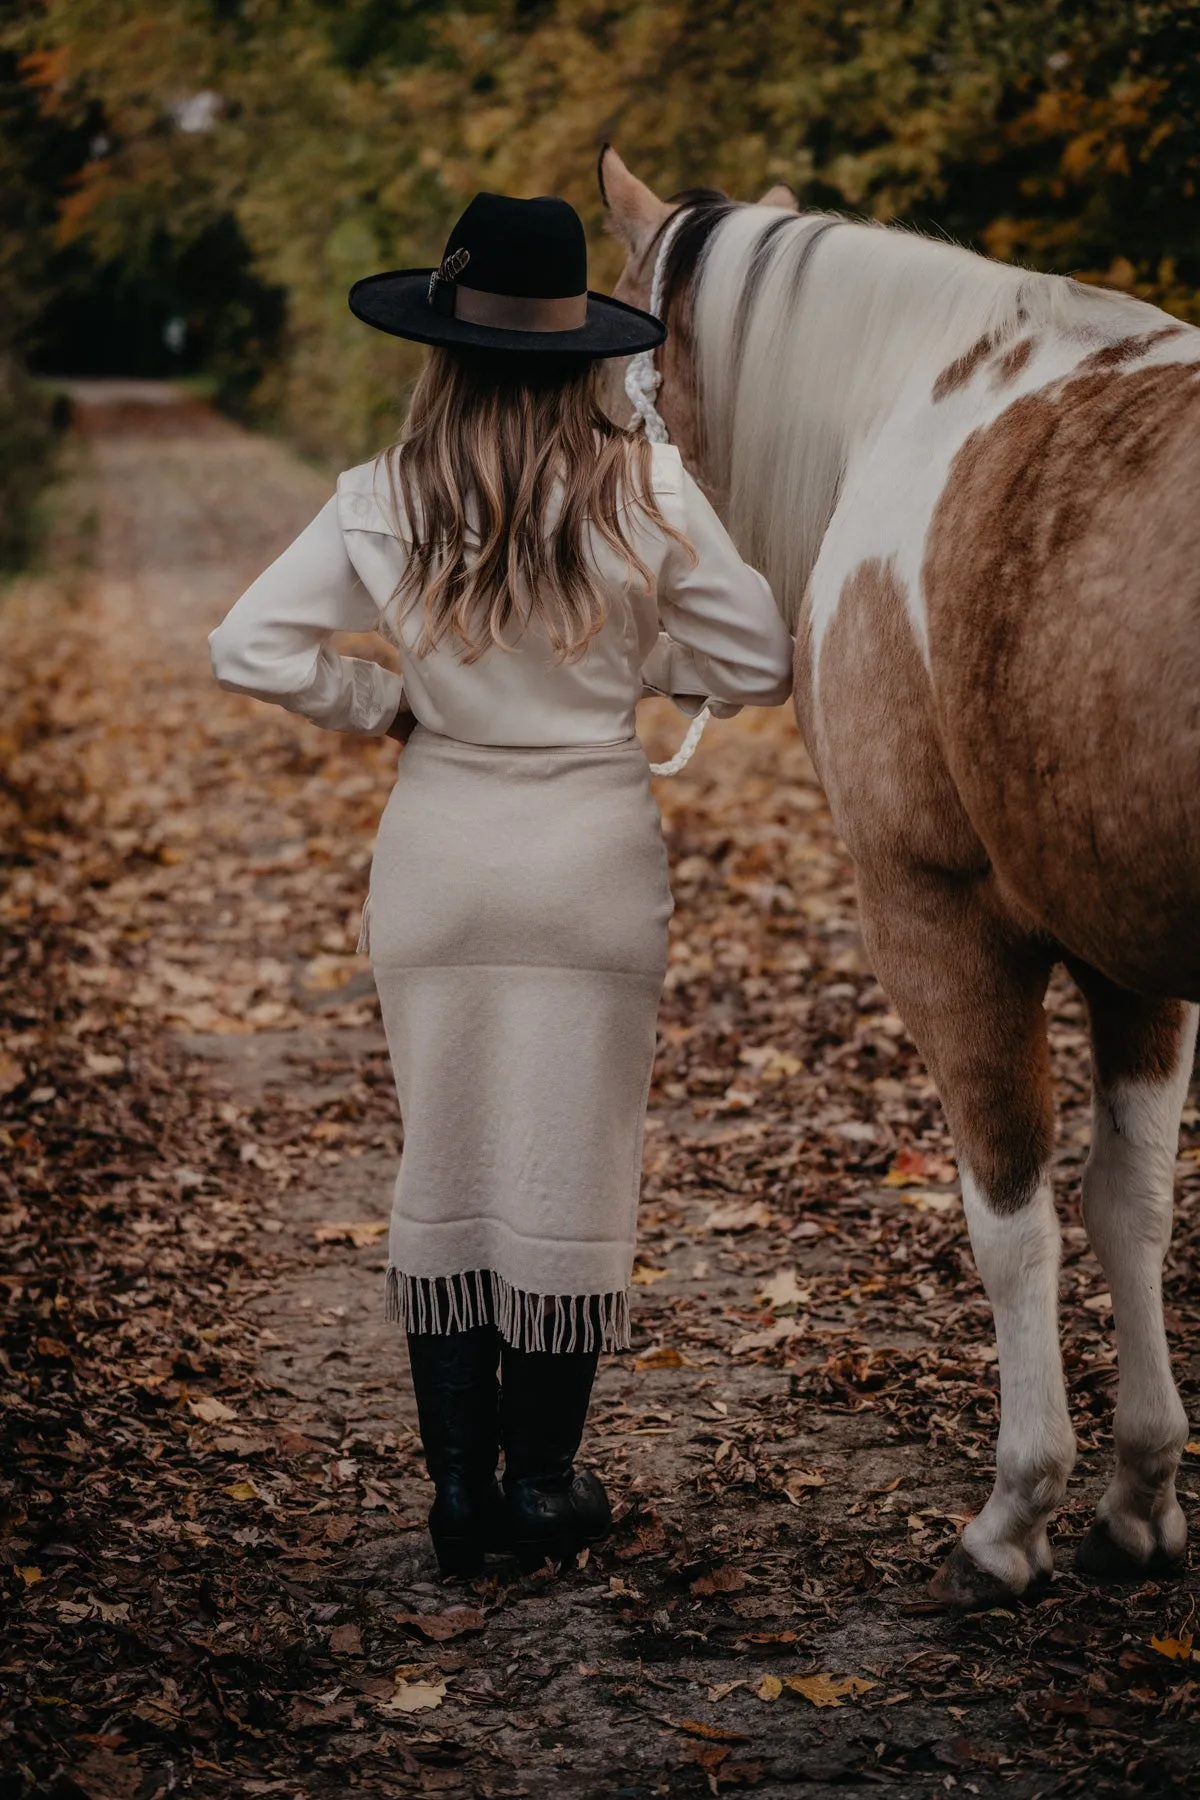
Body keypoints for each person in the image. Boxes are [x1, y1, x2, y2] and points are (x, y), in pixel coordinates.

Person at [208, 191, 793, 1578]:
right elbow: (758, 662)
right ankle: (543, 1487)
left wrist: (388, 701)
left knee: (450, 1155)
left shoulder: (381, 493)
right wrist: (640, 661)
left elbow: (248, 646)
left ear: (443, 343)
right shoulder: (643, 486)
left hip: (441, 860)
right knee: (570, 1159)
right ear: (578, 348)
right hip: (589, 862)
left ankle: (457, 1496)